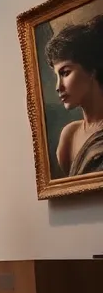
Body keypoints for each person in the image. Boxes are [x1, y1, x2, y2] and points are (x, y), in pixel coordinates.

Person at [45, 15, 103, 177]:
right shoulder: (69, 135)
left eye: (65, 73)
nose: (58, 87)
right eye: (56, 75)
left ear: (91, 69)